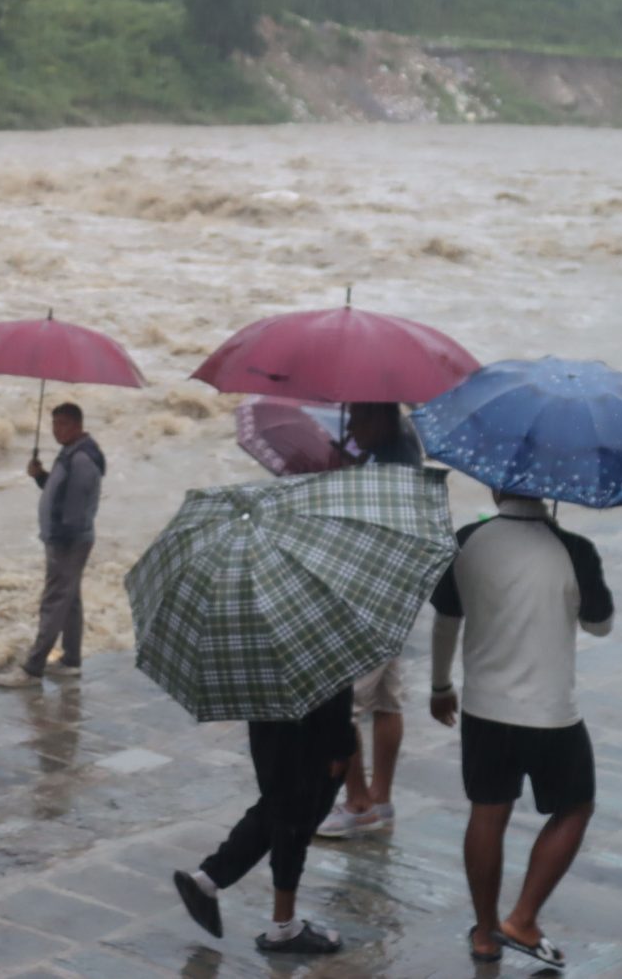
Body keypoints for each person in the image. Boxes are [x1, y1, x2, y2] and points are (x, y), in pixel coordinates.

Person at [431, 491, 613, 968]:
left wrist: (439, 685)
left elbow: (447, 618)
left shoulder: (467, 540)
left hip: (483, 709)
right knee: (575, 807)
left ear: (495, 487)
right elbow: (601, 625)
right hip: (550, 712)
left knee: (487, 814)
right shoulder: (573, 549)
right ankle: (523, 918)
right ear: (550, 491)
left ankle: (487, 935)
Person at [173, 687, 355, 955]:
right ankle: (283, 927)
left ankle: (208, 879)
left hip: (267, 722)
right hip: (312, 732)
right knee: (295, 821)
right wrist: (342, 746)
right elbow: (336, 686)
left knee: (277, 808)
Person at [317, 400, 424, 838]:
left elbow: (359, 533)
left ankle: (358, 803)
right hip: (396, 596)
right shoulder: (402, 456)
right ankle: (380, 799)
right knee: (385, 699)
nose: (352, 427)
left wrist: (340, 481)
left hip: (369, 599)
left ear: (381, 419)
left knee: (342, 709)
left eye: (359, 418)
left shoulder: (384, 476)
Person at [0, 402, 104, 689]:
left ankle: (32, 670)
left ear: (78, 425)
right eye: (55, 424)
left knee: (54, 600)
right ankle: (71, 660)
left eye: (63, 424)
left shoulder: (82, 458)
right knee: (69, 599)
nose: (57, 430)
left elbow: (77, 507)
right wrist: (41, 476)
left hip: (68, 542)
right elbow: (60, 492)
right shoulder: (72, 451)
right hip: (65, 539)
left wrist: (62, 538)